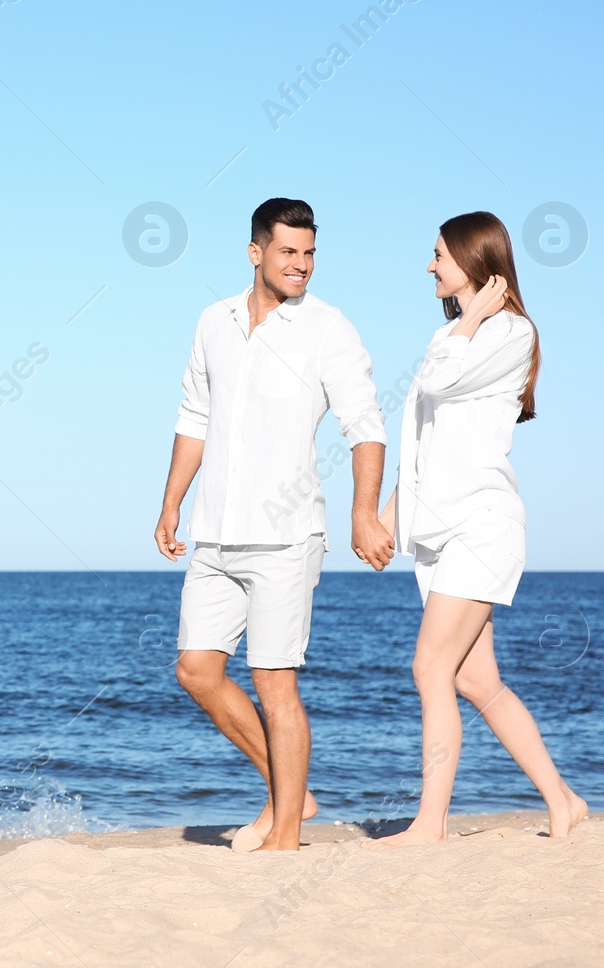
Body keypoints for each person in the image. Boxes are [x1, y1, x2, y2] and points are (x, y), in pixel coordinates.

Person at [156, 197, 393, 853]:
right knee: (197, 670)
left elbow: (366, 427)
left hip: (287, 536)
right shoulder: (214, 321)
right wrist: (173, 501)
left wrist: (364, 512)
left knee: (273, 683)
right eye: (289, 252)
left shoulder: (328, 329)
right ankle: (291, 792)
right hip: (216, 532)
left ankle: (286, 836)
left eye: (310, 253)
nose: (302, 265)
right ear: (256, 252)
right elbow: (194, 417)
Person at [371, 211, 586, 847]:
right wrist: (388, 516)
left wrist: (466, 321)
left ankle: (430, 825)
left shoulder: (510, 333)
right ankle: (564, 799)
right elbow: (426, 441)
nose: (430, 265)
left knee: (430, 669)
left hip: (480, 524)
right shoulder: (463, 337)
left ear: (474, 260)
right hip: (441, 529)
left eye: (439, 254)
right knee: (474, 679)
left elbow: (438, 377)